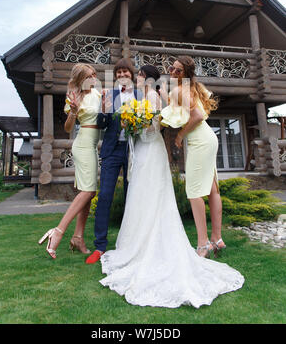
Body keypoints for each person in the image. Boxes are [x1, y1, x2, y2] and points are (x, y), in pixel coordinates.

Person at [99, 64, 244, 308]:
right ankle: (203, 238)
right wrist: (130, 122)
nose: (136, 79)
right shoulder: (147, 96)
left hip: (152, 148)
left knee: (158, 193)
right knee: (141, 195)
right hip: (144, 150)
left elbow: (156, 125)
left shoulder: (154, 95)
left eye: (140, 76)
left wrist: (133, 124)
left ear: (146, 78)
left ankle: (203, 240)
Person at [163, 56, 225, 258]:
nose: (173, 72)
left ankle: (202, 244)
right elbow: (181, 112)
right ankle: (217, 238)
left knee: (194, 191)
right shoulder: (190, 88)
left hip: (200, 140)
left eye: (178, 71)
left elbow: (196, 116)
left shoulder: (180, 90)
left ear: (186, 74)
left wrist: (180, 135)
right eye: (172, 68)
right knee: (212, 188)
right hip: (208, 138)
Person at [38, 63, 101, 259]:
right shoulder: (75, 97)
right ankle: (58, 232)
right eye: (90, 75)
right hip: (82, 144)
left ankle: (78, 237)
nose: (94, 77)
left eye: (94, 74)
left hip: (92, 146)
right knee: (88, 191)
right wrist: (73, 111)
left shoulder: (98, 94)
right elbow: (67, 128)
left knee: (89, 193)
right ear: (82, 79)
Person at [86, 58, 141, 264]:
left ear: (131, 75)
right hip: (111, 150)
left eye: (125, 72)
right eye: (118, 73)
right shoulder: (108, 94)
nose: (121, 75)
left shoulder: (141, 95)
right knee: (105, 197)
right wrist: (104, 109)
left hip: (134, 150)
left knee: (132, 197)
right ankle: (100, 245)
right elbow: (101, 125)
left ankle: (130, 243)